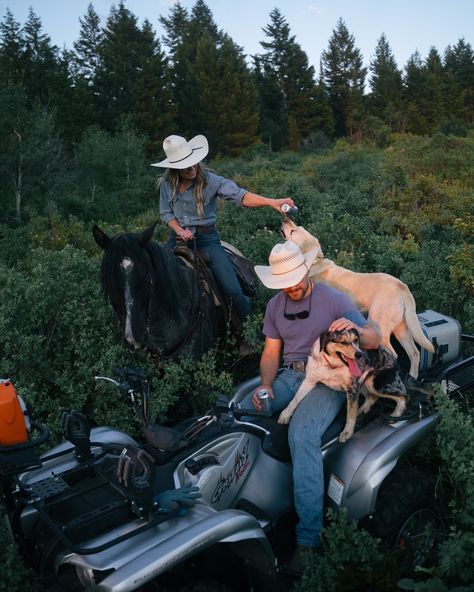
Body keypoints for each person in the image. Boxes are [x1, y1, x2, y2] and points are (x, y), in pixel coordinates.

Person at [246, 240, 381, 575]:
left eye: (295, 277)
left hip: (328, 378)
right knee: (247, 410)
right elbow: (270, 353)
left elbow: (374, 336)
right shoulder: (276, 306)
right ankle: (253, 493)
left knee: (302, 432)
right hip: (291, 376)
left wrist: (354, 329)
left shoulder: (332, 299)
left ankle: (308, 539)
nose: (291, 286)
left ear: (306, 269)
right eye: (284, 282)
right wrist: (265, 385)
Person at [152, 134, 295, 322]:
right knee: (151, 276)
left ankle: (246, 332)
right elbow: (166, 213)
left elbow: (240, 196)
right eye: (185, 166)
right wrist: (179, 230)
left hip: (206, 239)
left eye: (193, 162)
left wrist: (271, 202)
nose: (192, 168)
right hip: (177, 238)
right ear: (175, 168)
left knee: (232, 289)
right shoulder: (166, 185)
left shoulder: (210, 181)